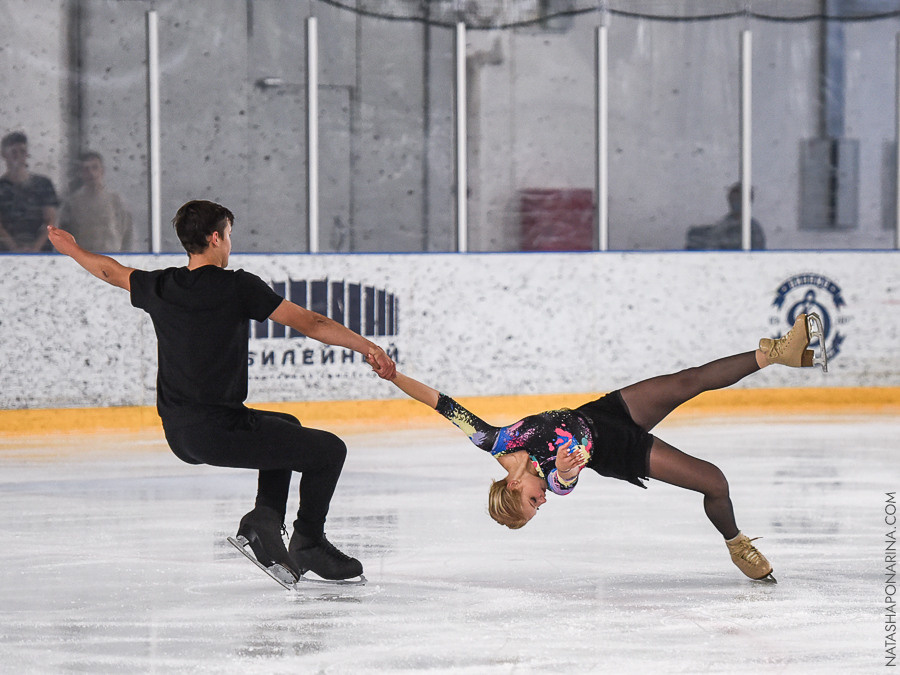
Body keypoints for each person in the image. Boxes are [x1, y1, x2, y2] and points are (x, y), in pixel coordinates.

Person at [47, 199, 396, 583]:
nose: (230, 244)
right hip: (218, 430)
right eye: (228, 235)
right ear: (214, 238)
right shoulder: (238, 286)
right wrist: (368, 347)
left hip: (181, 431)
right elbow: (310, 322)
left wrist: (73, 249)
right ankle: (309, 542)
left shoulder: (161, 285)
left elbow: (110, 271)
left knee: (286, 425)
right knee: (330, 450)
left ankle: (264, 519)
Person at [374, 315, 824, 582]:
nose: (544, 498)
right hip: (619, 451)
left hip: (605, 413)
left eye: (534, 501)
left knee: (689, 380)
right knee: (715, 482)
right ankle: (735, 542)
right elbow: (563, 480)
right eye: (540, 506)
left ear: (513, 484)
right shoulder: (554, 477)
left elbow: (443, 404)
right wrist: (567, 472)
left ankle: (778, 352)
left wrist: (395, 377)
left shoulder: (494, 439)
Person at [59, 151, 133, 252]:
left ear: (102, 170)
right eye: (86, 169)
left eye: (95, 167)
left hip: (112, 258)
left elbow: (128, 234)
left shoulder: (116, 200)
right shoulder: (72, 203)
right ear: (80, 173)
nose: (91, 173)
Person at [0, 131, 60, 252]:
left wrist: (34, 249)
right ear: (4, 154)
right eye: (13, 152)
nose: (18, 156)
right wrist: (15, 249)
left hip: (43, 255)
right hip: (5, 256)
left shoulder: (44, 184)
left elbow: (50, 221)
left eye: (22, 151)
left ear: (27, 153)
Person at [685, 182, 766, 250]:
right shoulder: (724, 224)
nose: (735, 203)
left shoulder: (753, 228)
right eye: (733, 200)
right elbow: (712, 245)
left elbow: (756, 255)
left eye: (739, 200)